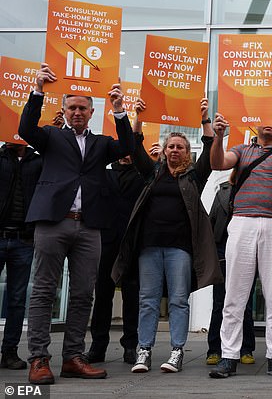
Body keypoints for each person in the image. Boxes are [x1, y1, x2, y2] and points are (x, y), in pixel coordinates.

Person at [18, 63, 135, 385]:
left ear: (92, 111)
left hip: (89, 227)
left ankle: (73, 357)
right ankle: (39, 358)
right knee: (43, 291)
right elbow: (27, 129)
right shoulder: (52, 137)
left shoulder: (101, 144)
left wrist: (120, 109)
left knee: (84, 293)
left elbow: (127, 147)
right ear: (64, 110)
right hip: (53, 223)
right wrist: (38, 90)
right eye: (72, 107)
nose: (77, 112)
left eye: (83, 107)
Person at [112, 97, 223, 373]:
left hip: (180, 249)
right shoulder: (152, 173)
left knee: (177, 299)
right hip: (149, 247)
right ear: (163, 150)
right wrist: (138, 116)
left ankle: (176, 351)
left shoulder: (194, 177)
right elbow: (135, 145)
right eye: (171, 146)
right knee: (147, 299)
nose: (175, 150)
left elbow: (210, 148)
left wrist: (205, 119)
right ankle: (144, 350)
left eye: (180, 147)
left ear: (187, 153)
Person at [208, 105, 272, 379]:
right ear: (254, 124)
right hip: (243, 222)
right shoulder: (241, 150)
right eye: (265, 119)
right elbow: (217, 163)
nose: (269, 124)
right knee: (235, 294)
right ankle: (229, 355)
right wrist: (218, 136)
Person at [84, 154, 144, 365]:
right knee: (102, 294)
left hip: (131, 242)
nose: (127, 155)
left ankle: (130, 346)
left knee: (132, 294)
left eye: (131, 150)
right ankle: (98, 346)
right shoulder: (104, 173)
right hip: (105, 241)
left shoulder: (142, 174)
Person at [206, 172, 257, 367]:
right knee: (220, 301)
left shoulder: (254, 189)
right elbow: (212, 221)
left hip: (247, 248)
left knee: (245, 304)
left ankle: (246, 348)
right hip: (222, 249)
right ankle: (214, 349)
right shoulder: (222, 191)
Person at [0, 142, 41, 370]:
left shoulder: (38, 160)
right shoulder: (1, 157)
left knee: (16, 300)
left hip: (23, 239)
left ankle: (9, 352)